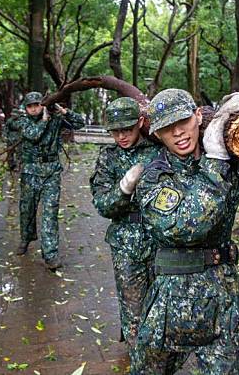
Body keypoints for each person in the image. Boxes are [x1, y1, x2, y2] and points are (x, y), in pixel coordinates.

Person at [130, 89, 239, 374]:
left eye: (183, 121)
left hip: (222, 295)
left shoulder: (230, 158)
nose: (178, 133)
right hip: (170, 299)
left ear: (197, 116)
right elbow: (189, 227)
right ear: (157, 134)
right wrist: (215, 160)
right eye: (167, 128)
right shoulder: (154, 178)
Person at [90, 97, 162, 349]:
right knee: (132, 305)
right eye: (115, 131)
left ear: (140, 123)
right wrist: (123, 188)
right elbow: (101, 204)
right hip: (125, 244)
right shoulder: (108, 158)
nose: (121, 136)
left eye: (127, 129)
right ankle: (137, 356)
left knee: (159, 304)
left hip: (159, 239)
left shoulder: (159, 151)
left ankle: (156, 354)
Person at [16, 91, 85, 269]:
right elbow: (33, 135)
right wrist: (44, 120)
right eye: (30, 106)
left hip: (51, 173)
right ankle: (26, 237)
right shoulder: (23, 122)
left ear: (43, 105)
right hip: (30, 172)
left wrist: (64, 112)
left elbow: (80, 123)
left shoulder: (55, 118)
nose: (34, 109)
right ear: (26, 108)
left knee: (50, 212)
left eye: (37, 105)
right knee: (27, 209)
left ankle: (50, 254)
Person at [3, 107, 25, 171]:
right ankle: (11, 165)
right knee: (10, 153)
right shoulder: (9, 121)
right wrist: (5, 136)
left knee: (19, 153)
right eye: (12, 115)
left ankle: (18, 166)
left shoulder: (21, 121)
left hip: (19, 139)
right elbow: (6, 129)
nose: (13, 116)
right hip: (10, 138)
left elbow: (24, 129)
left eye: (15, 115)